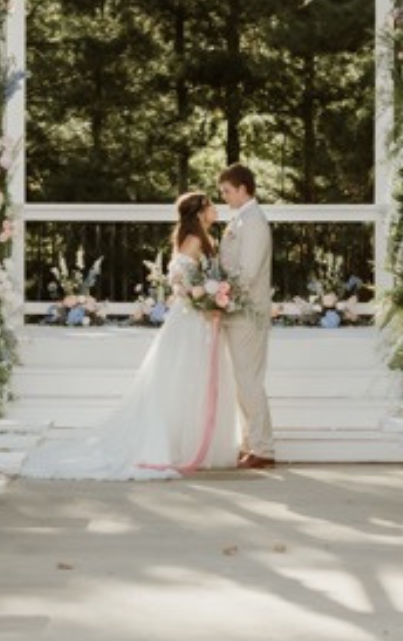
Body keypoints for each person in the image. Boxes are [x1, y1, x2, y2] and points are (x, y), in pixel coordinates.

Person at [22, 190, 240, 480]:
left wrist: (210, 296)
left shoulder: (195, 239)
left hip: (193, 318)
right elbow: (183, 283)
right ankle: (177, 444)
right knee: (185, 379)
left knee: (188, 379)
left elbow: (181, 281)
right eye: (212, 204)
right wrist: (204, 299)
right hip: (192, 320)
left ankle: (191, 441)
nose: (217, 208)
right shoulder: (196, 240)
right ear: (201, 211)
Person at [216, 162, 276, 469]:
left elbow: (249, 272)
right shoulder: (240, 219)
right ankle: (251, 442)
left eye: (227, 191)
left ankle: (263, 447)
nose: (224, 197)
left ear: (243, 189)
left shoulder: (253, 222)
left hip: (247, 313)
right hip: (236, 312)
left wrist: (222, 295)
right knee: (242, 383)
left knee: (249, 381)